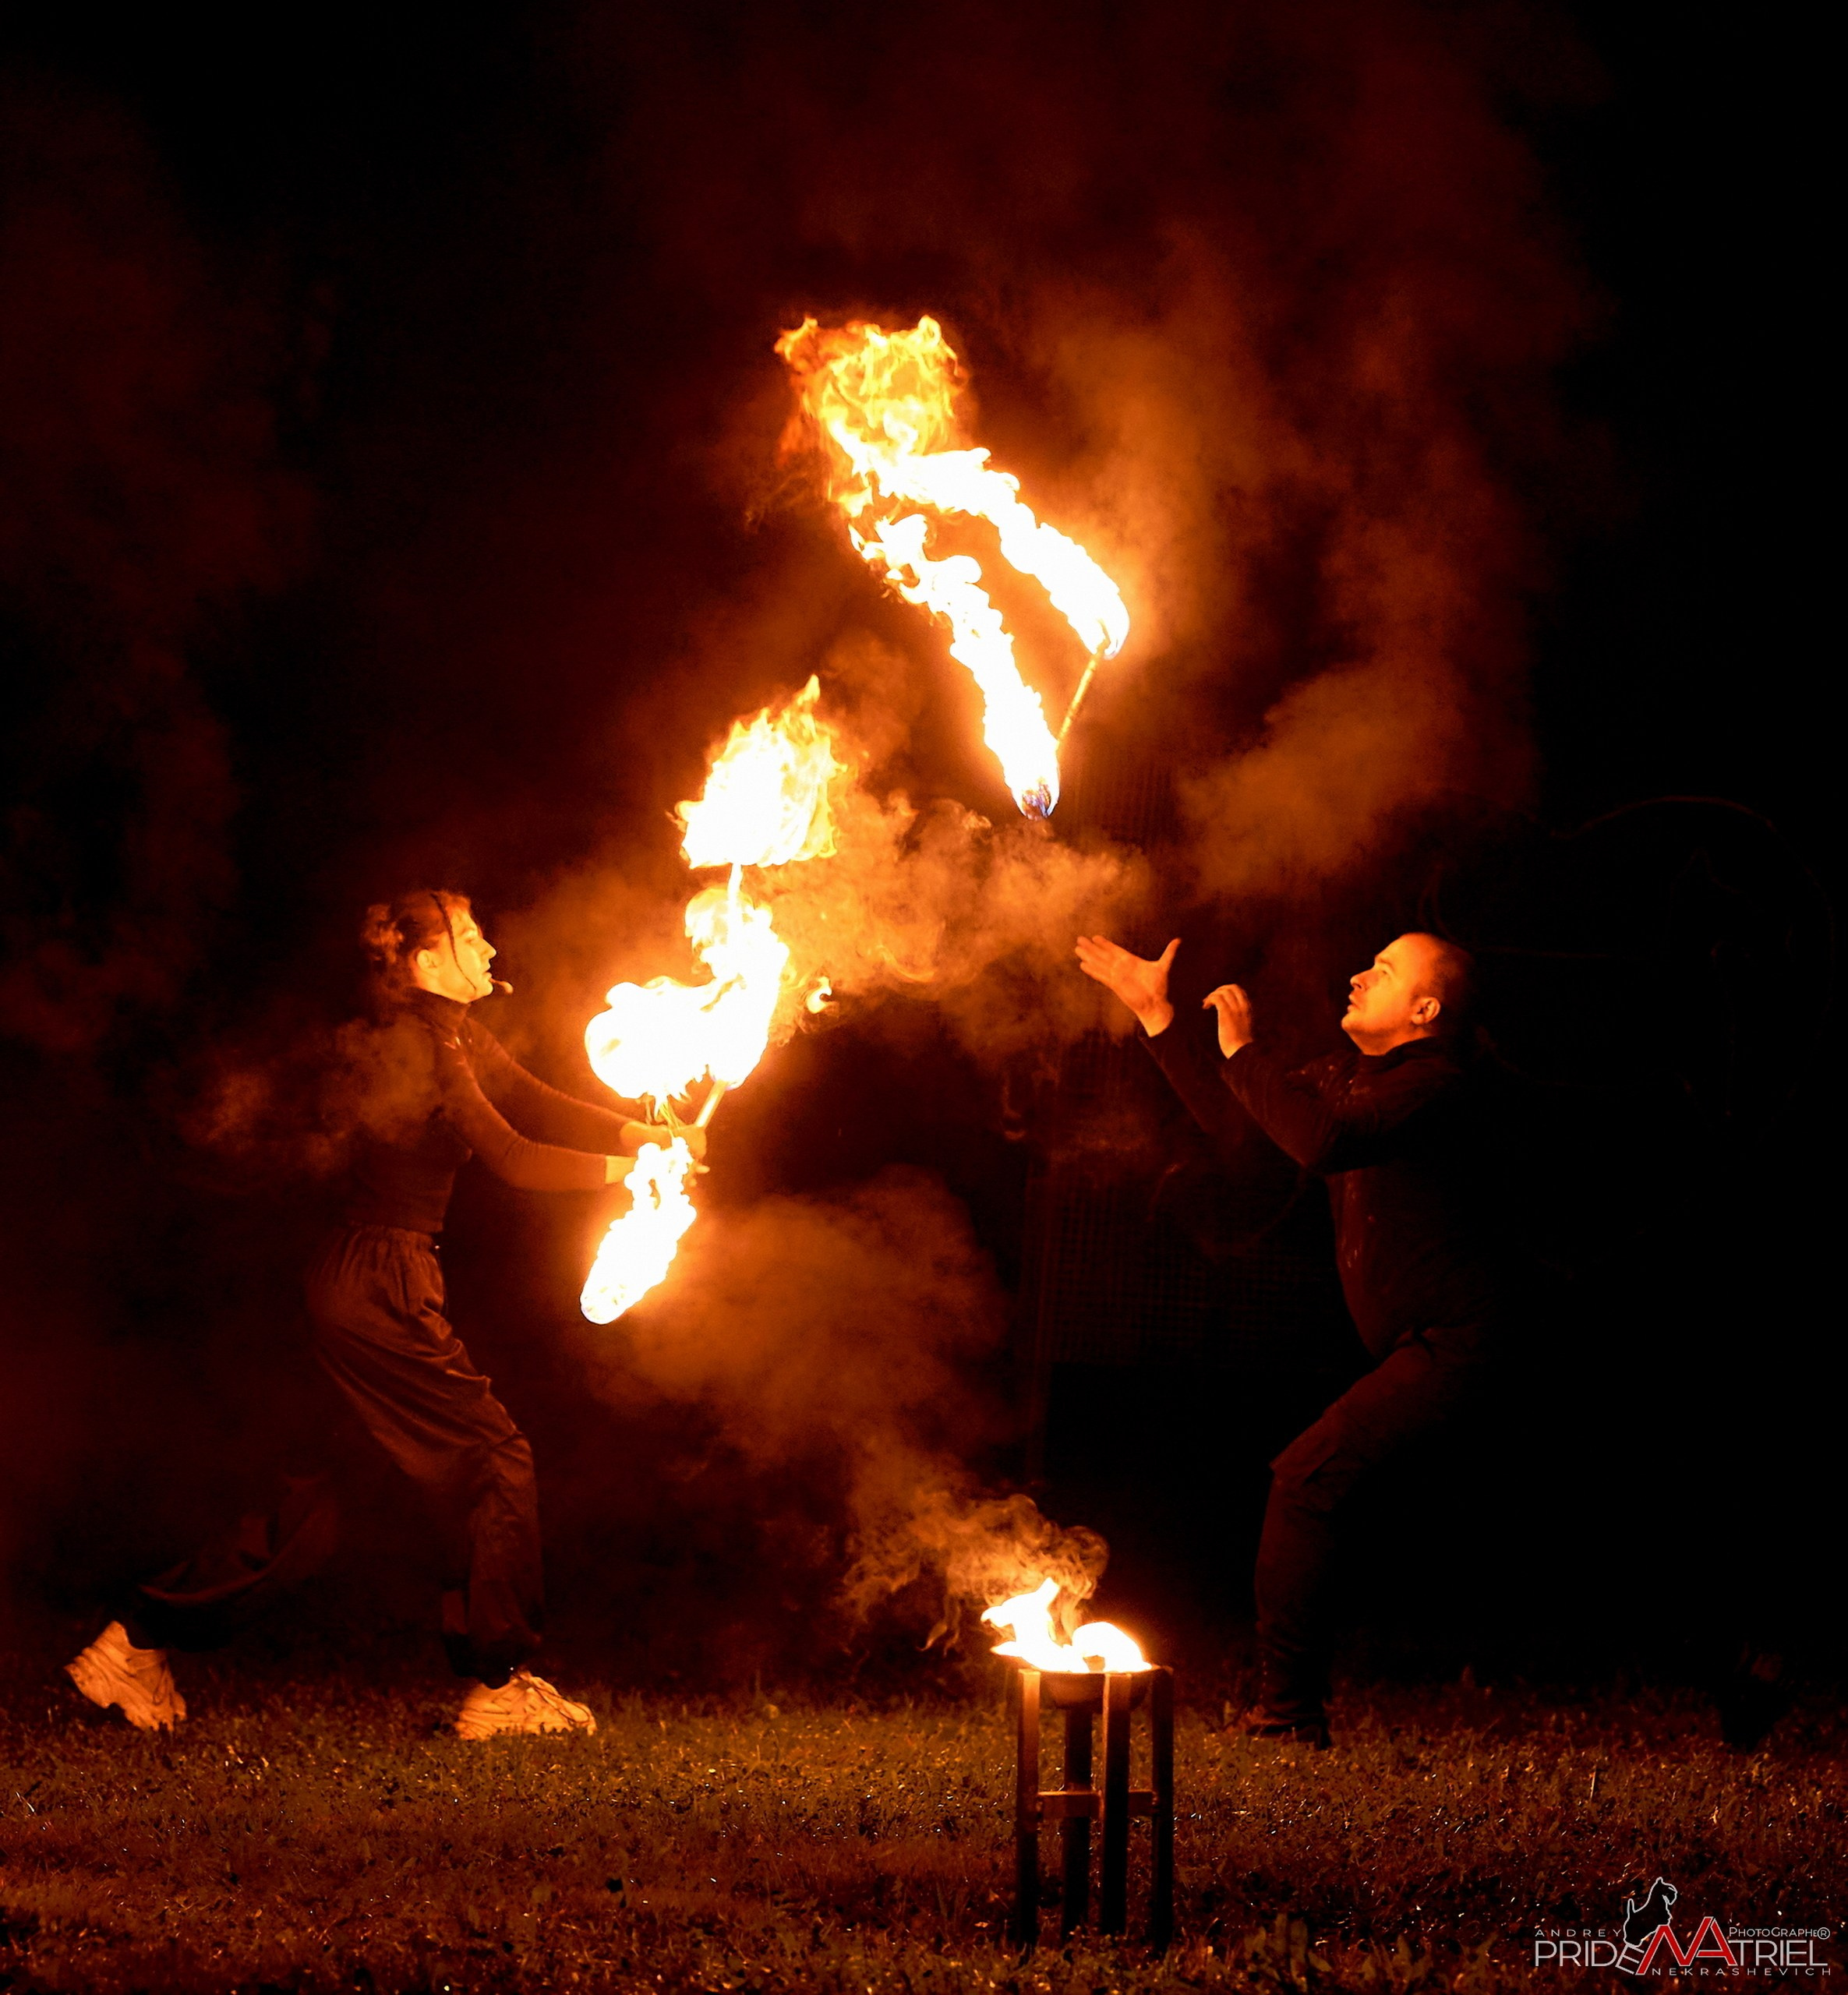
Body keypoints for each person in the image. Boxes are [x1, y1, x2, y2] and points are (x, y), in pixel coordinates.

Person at [66, 890, 699, 1740]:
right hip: (380, 1279)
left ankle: (133, 1642)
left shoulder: (451, 1031)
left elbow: (533, 1099)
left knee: (314, 1511)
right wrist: (636, 1176)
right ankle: (499, 1683)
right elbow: (512, 1155)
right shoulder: (419, 1039)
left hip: (357, 1278)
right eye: (469, 936)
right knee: (495, 1457)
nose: (487, 946)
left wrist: (641, 1135)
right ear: (425, 962)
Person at [1076, 927, 1504, 1748]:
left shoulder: (1434, 1086)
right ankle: (1741, 1659)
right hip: (1421, 1347)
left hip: (1466, 1344)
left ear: (1423, 1009)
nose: (1355, 974)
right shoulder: (1348, 1077)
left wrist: (1241, 1050)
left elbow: (1323, 1141)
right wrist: (1160, 1021)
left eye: (1380, 971)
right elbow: (1246, 1136)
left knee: (1303, 1480)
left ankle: (1288, 1713)